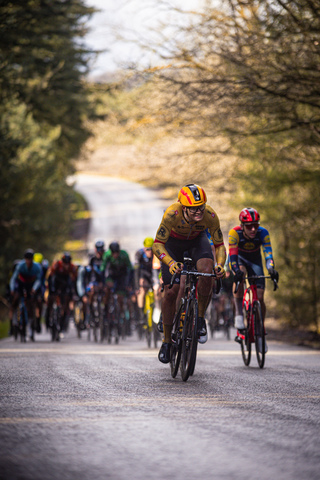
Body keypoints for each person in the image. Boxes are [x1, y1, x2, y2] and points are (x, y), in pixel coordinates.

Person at [152, 184, 226, 364]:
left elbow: (219, 246)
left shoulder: (210, 215)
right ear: (183, 207)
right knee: (171, 291)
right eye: (193, 208)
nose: (198, 211)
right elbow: (157, 245)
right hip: (172, 245)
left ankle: (200, 319)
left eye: (201, 207)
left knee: (207, 272)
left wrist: (221, 265)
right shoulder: (172, 214)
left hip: (196, 242)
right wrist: (169, 262)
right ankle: (167, 342)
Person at [228, 207, 279, 348]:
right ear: (242, 226)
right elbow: (232, 257)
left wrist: (271, 269)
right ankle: (239, 314)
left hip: (255, 261)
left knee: (260, 297)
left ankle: (260, 329)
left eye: (256, 225)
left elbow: (268, 254)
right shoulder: (234, 233)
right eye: (249, 226)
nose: (253, 229)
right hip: (239, 259)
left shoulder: (263, 233)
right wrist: (236, 270)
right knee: (240, 275)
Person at [9, 249, 42, 341]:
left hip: (31, 285)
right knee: (16, 299)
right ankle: (14, 322)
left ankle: (31, 326)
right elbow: (13, 278)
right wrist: (12, 289)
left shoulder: (37, 267)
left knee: (31, 305)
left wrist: (34, 289)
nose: (28, 261)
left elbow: (39, 279)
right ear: (24, 259)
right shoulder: (20, 266)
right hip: (21, 284)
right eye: (27, 259)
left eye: (30, 259)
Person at [45, 252, 78, 333]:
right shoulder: (56, 265)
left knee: (66, 301)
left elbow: (74, 280)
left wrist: (73, 292)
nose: (66, 265)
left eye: (68, 263)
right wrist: (51, 290)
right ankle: (48, 319)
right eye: (64, 263)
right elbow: (50, 278)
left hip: (65, 283)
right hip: (55, 281)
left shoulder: (73, 267)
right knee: (50, 299)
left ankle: (62, 322)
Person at [101, 241, 134, 320]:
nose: (115, 255)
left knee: (120, 296)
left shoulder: (124, 255)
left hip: (122, 275)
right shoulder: (107, 255)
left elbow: (131, 270)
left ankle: (121, 313)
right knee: (107, 291)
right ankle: (105, 310)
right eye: (113, 253)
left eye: (117, 252)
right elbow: (102, 270)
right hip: (111, 275)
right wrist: (104, 283)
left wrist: (129, 284)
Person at [134, 237, 156, 325]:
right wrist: (137, 287)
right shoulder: (139, 254)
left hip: (154, 276)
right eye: (147, 249)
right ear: (144, 249)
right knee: (142, 291)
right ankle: (141, 315)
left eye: (151, 249)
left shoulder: (156, 254)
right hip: (144, 276)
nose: (150, 252)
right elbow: (136, 271)